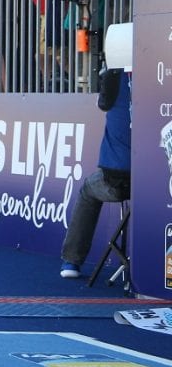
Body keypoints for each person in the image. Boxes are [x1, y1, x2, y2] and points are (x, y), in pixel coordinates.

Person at [60, 69, 131, 278]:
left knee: (87, 191)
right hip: (158, 181)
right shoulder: (158, 73)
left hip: (117, 178)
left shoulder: (115, 76)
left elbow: (103, 104)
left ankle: (71, 262)